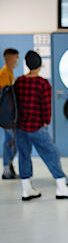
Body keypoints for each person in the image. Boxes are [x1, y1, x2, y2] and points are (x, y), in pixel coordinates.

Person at [14, 50, 68, 201]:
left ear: (26, 64)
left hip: (20, 127)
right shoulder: (42, 83)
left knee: (24, 156)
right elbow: (45, 107)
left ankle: (26, 190)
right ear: (39, 65)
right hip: (36, 127)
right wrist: (46, 121)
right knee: (52, 154)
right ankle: (62, 187)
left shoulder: (19, 81)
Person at [0, 48, 19, 179]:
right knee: (9, 142)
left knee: (12, 141)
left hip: (10, 115)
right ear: (9, 58)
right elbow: (5, 97)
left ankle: (9, 167)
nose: (17, 60)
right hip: (6, 115)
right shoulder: (4, 73)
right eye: (16, 57)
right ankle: (6, 169)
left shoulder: (10, 72)